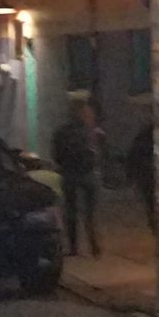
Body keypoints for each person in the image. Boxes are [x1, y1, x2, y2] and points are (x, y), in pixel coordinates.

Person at [53, 97, 103, 258]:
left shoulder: (61, 132)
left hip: (69, 173)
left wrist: (63, 165)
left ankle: (74, 247)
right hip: (88, 173)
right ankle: (94, 246)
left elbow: (57, 154)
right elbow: (100, 153)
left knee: (71, 211)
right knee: (90, 213)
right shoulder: (91, 132)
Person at [126, 122, 155, 232]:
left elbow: (132, 158)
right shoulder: (146, 141)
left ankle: (155, 228)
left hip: (145, 178)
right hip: (149, 178)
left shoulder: (140, 140)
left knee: (151, 206)